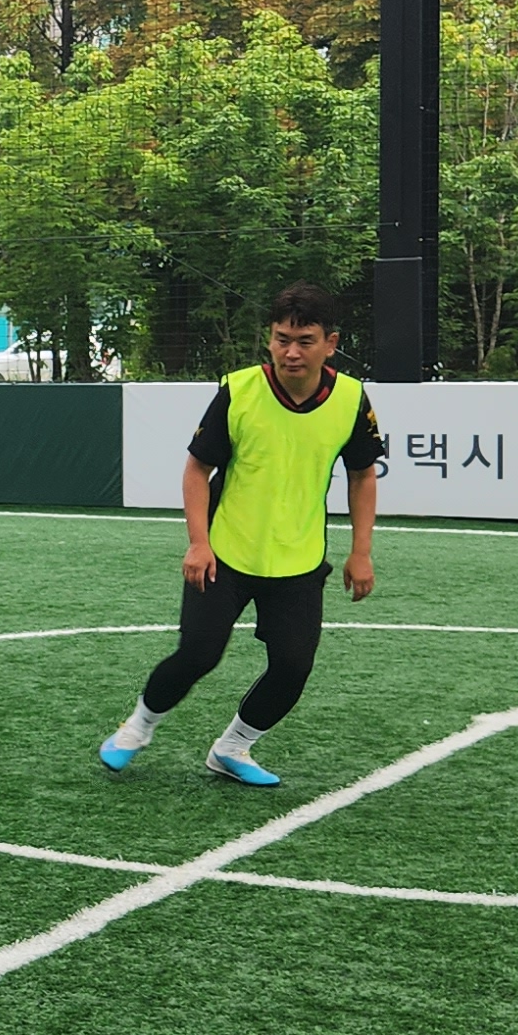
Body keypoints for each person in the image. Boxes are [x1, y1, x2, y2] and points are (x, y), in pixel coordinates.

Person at [100, 284, 382, 788]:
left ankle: (232, 748)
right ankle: (137, 728)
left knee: (293, 667)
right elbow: (197, 469)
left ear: (330, 343)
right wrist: (198, 542)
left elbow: (363, 475)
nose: (291, 352)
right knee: (199, 653)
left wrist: (361, 552)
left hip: (298, 560)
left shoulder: (350, 399)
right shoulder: (239, 390)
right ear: (269, 339)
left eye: (305, 341)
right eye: (281, 339)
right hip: (225, 553)